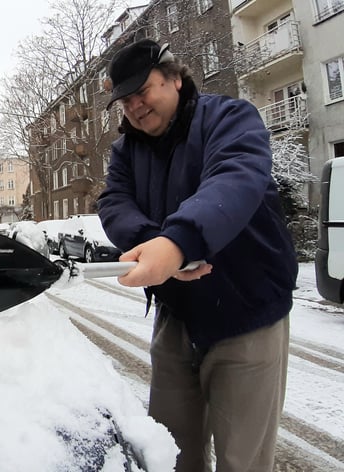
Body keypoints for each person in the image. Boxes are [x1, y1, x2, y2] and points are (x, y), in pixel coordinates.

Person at [97, 39, 297, 471]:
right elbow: (114, 202)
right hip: (177, 316)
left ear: (174, 78)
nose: (134, 106)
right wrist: (156, 243)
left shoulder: (229, 119)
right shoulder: (126, 151)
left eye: (143, 91)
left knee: (241, 458)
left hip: (248, 309)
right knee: (168, 451)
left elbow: (234, 179)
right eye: (125, 100)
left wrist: (179, 242)